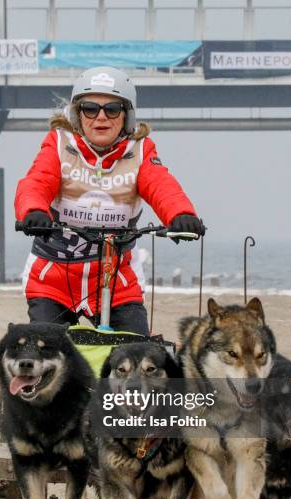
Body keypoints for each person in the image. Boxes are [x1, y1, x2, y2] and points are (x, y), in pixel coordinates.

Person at [15, 66, 205, 335]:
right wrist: (34, 210)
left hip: (117, 282)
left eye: (112, 109)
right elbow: (36, 181)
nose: (101, 117)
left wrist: (180, 214)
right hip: (54, 279)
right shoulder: (59, 144)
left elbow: (162, 185)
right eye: (90, 108)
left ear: (127, 116)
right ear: (78, 115)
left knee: (138, 358)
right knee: (48, 357)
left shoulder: (139, 151)